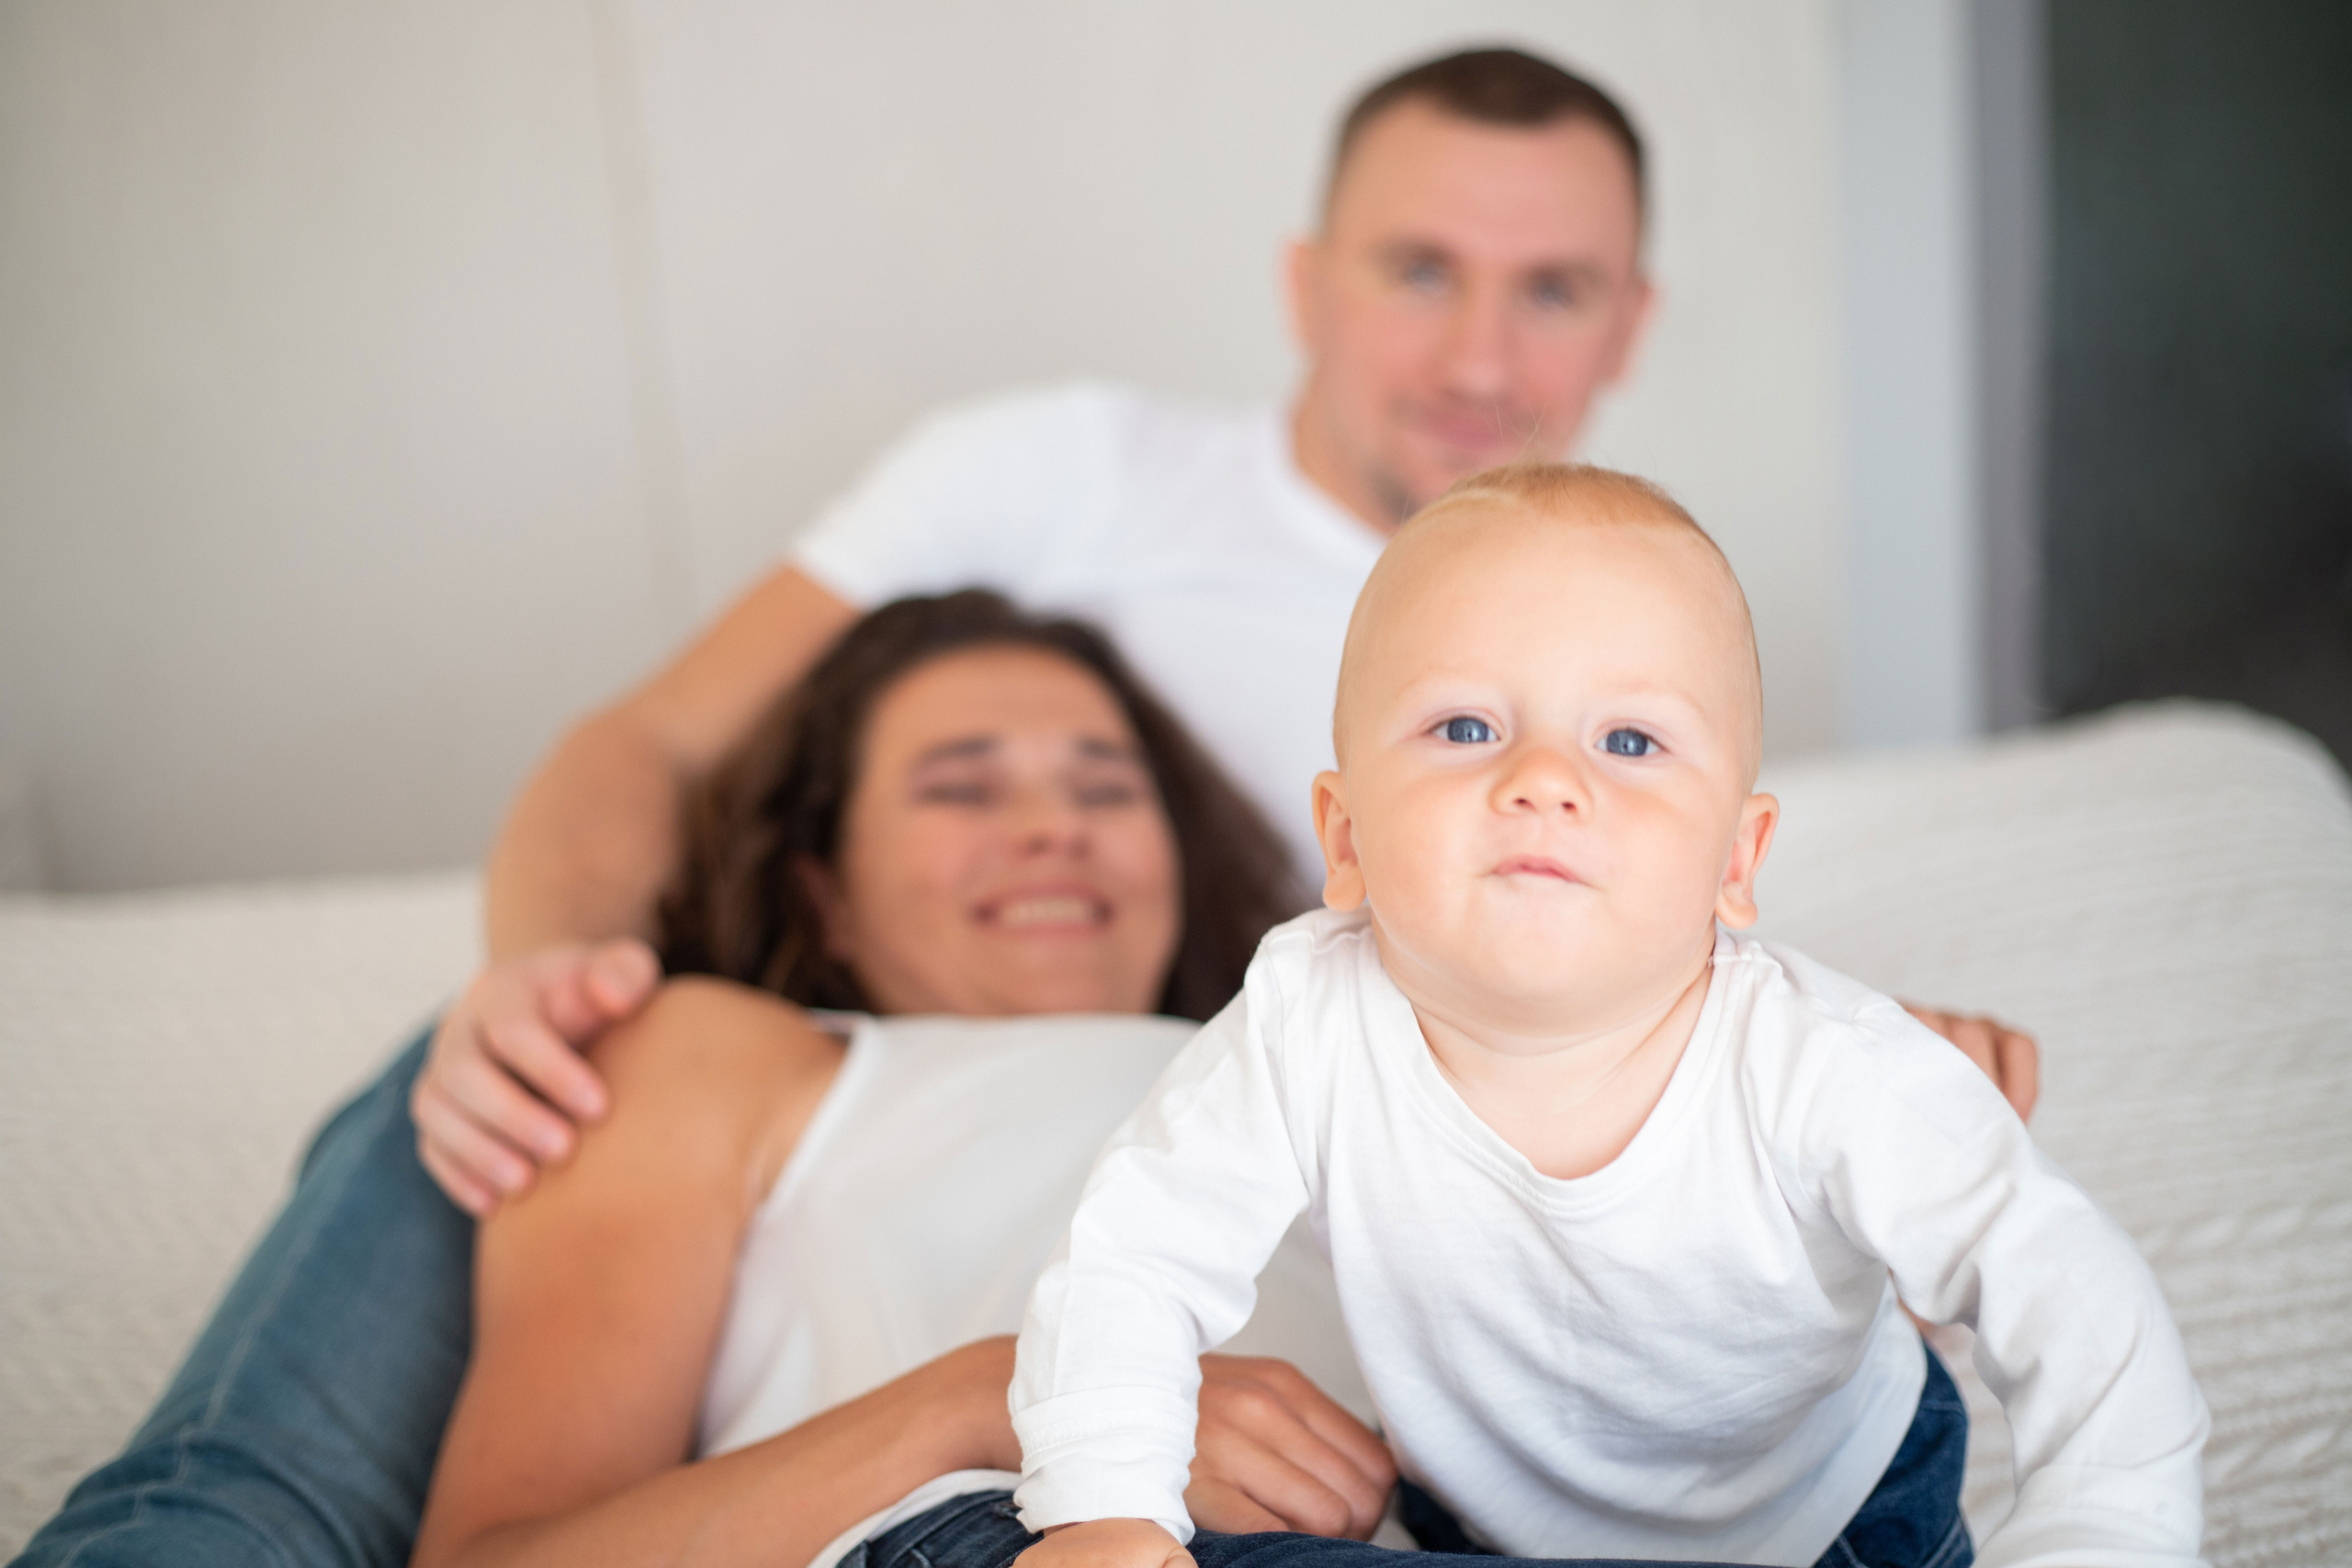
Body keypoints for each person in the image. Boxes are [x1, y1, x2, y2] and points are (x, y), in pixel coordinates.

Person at [408, 45, 2040, 1219]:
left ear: (1631, 322)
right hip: (793, 1112)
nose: (1479, 360)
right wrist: (552, 974)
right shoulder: (1056, 472)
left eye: (1553, 290)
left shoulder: (1648, 626)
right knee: (529, 1069)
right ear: (1306, 285)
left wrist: (1864, 1069)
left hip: (1182, 1186)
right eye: (1419, 272)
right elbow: (649, 743)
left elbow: (1630, 1019)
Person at [1002, 467, 2208, 1568]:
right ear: (1347, 836)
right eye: (1466, 728)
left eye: (1629, 740)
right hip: (1483, 1519)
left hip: (1828, 1515)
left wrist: (2108, 1530)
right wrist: (1106, 1505)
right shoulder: (1303, 1023)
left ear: (1736, 862)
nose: (1544, 779)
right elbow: (1133, 1257)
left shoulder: (1822, 1064)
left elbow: (2063, 1278)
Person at [17, 594, 1373, 1568]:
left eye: (1105, 790)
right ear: (824, 892)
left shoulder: (1339, 1035)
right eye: (960, 790)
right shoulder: (717, 1055)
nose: (1050, 831)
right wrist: (1013, 1395)